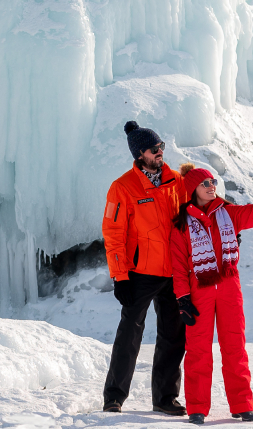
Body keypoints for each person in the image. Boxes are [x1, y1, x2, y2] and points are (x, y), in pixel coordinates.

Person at [165, 163, 253, 424]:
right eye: (205, 184)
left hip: (230, 288)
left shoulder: (228, 214)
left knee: (235, 347)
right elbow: (178, 266)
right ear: (193, 190)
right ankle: (197, 407)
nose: (212, 187)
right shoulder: (182, 226)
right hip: (199, 292)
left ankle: (242, 404)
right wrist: (182, 299)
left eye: (213, 183)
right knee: (198, 350)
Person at [97, 121, 188, 415]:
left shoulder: (176, 181)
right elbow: (113, 234)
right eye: (155, 148)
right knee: (129, 335)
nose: (161, 151)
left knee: (174, 336)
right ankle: (114, 397)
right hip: (140, 274)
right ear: (140, 153)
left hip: (173, 271)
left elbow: (192, 219)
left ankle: (165, 398)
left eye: (161, 146)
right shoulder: (122, 187)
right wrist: (120, 277)